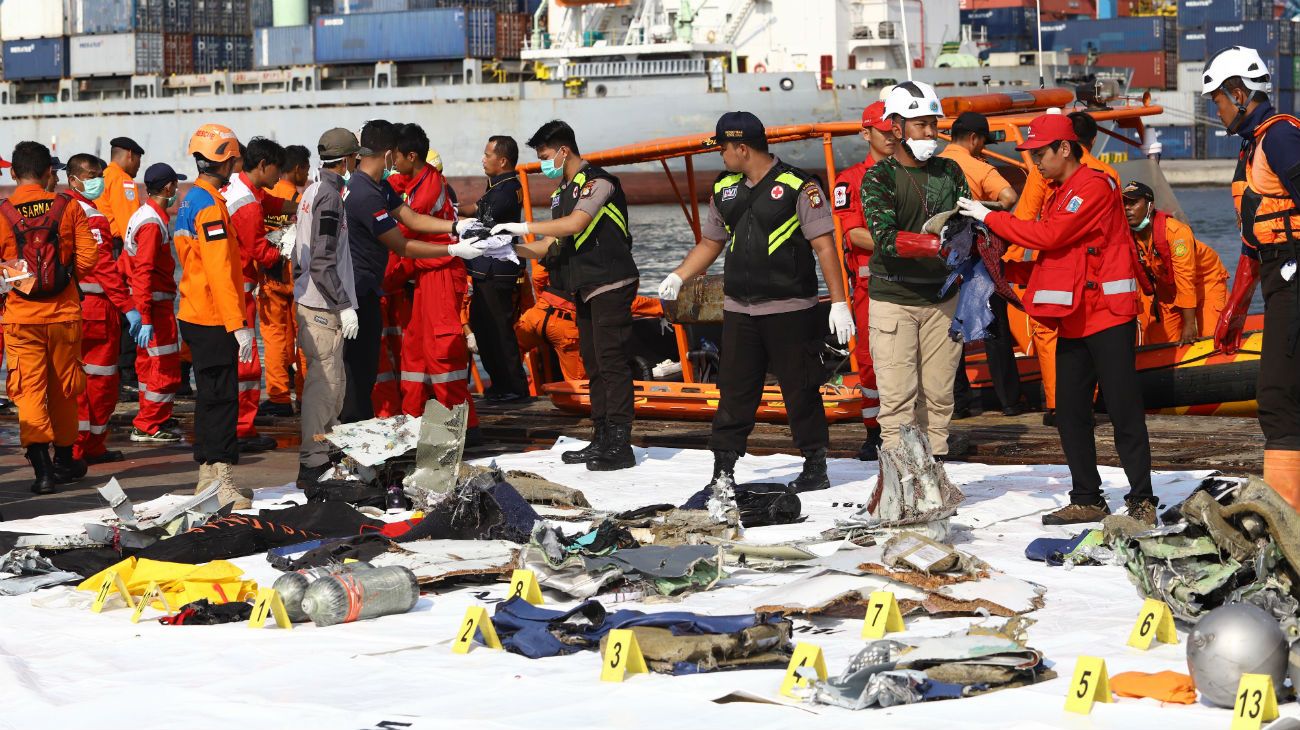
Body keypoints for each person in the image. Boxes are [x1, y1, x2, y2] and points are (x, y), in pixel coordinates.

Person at [961, 113, 1155, 525]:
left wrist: (988, 216)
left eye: (1038, 154)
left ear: (1064, 148)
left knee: (1123, 411)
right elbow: (1053, 249)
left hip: (1107, 315)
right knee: (1069, 413)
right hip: (1074, 316)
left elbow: (1049, 237)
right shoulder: (1059, 190)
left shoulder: (1094, 187)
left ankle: (1142, 501)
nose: (1034, 163)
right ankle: (1087, 497)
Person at [658, 111, 853, 491]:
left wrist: (840, 303)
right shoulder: (725, 188)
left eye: (723, 149)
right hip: (739, 311)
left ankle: (815, 465)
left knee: (800, 388)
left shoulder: (800, 186)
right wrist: (679, 275)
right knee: (733, 392)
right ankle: (723, 471)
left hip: (790, 309)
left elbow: (824, 247)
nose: (721, 156)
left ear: (742, 148)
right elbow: (711, 242)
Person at [492, 120, 640, 471]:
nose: (543, 163)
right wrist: (508, 247)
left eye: (545, 156)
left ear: (564, 151)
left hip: (610, 282)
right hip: (584, 289)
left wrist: (523, 225)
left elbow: (575, 224)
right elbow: (551, 243)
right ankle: (601, 436)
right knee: (594, 365)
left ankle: (621, 443)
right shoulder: (562, 193)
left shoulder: (599, 183)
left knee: (611, 363)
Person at [340, 119, 486, 425]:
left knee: (425, 351)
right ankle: (365, 435)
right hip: (368, 288)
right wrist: (452, 248)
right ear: (391, 153)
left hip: (401, 280)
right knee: (367, 368)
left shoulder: (379, 186)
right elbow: (403, 242)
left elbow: (412, 219)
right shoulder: (366, 193)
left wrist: (455, 227)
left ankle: (433, 421)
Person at [1205, 45, 1300, 508]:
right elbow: (1250, 242)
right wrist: (1235, 313)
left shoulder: (1280, 137)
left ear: (1239, 93)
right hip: (1278, 275)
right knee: (1282, 390)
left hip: (1294, 272)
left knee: (1278, 394)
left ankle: (1286, 513)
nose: (1216, 109)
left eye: (1218, 99)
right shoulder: (1255, 145)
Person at [859, 81, 970, 458]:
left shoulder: (950, 171)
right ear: (896, 127)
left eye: (933, 125)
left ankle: (935, 464)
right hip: (894, 298)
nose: (930, 133)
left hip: (943, 300)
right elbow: (885, 237)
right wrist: (935, 242)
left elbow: (968, 220)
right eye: (920, 124)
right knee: (897, 398)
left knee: (939, 394)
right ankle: (900, 476)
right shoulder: (878, 177)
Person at [1, 141, 97, 494]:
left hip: (21, 317)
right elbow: (89, 259)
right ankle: (66, 460)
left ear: (12, 172)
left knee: (28, 391)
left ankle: (42, 472)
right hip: (64, 314)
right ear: (48, 174)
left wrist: (24, 281)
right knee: (65, 388)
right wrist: (62, 278)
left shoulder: (4, 212)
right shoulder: (67, 207)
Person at [1014, 111, 1121, 425]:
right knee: (1093, 332)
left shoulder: (1043, 169)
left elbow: (1025, 216)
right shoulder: (1107, 174)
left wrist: (1007, 263)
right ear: (1092, 140)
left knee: (1048, 332)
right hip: (1097, 270)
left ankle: (1057, 404)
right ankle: (1089, 401)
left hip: (1055, 263)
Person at [175, 123, 257, 508]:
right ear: (223, 161)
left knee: (208, 397)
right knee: (223, 399)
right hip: (212, 317)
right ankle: (221, 480)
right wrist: (237, 325)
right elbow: (220, 270)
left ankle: (207, 479)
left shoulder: (190, 199)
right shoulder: (209, 206)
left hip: (193, 312)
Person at [384, 123, 480, 433]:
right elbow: (392, 182)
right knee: (414, 348)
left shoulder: (427, 192)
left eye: (395, 157)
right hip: (426, 276)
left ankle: (462, 426)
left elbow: (403, 235)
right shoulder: (416, 181)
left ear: (411, 156)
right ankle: (413, 423)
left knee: (442, 352)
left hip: (440, 273)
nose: (392, 163)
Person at [940, 110, 1024, 418]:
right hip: (976, 259)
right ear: (974, 139)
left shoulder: (933, 165)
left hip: (941, 259)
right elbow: (1009, 197)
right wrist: (981, 208)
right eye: (981, 142)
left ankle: (958, 404)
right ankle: (1010, 402)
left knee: (950, 331)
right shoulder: (977, 166)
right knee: (994, 327)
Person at [294, 129, 361, 488]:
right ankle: (314, 463)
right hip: (323, 307)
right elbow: (322, 261)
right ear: (349, 160)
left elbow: (300, 254)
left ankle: (322, 455)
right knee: (326, 386)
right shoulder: (331, 198)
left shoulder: (311, 191)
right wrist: (344, 305)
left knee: (330, 384)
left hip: (311, 301)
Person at [67, 153, 142, 464]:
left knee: (73, 380)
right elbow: (105, 270)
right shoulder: (92, 217)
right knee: (99, 383)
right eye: (92, 175)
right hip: (97, 310)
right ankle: (86, 446)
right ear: (74, 179)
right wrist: (129, 307)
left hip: (70, 309)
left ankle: (74, 445)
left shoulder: (61, 210)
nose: (99, 180)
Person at [832, 100, 893, 461]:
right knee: (870, 362)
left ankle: (917, 431)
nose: (890, 137)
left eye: (894, 130)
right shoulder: (851, 181)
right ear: (866, 133)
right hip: (872, 286)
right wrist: (909, 245)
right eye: (883, 132)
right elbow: (853, 234)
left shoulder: (916, 174)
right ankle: (874, 432)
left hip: (914, 283)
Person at [222, 137, 289, 453]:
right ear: (263, 165)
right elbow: (259, 250)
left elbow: (271, 202)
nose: (280, 178)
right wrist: (287, 250)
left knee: (231, 362)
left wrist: (298, 205)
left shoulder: (239, 187)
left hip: (227, 288)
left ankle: (233, 425)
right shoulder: (247, 205)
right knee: (247, 366)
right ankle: (242, 429)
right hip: (240, 292)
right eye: (277, 170)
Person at [462, 135, 530, 402]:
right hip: (485, 269)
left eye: (488, 154)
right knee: (482, 324)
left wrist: (455, 217)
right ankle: (500, 384)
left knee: (499, 328)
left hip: (496, 269)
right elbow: (479, 209)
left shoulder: (505, 190)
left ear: (502, 160)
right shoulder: (497, 187)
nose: (483, 158)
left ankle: (513, 386)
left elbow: (482, 216)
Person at [124, 163, 186, 444]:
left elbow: (130, 266)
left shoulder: (143, 215)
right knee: (164, 366)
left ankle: (152, 417)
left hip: (145, 306)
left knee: (147, 368)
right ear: (169, 188)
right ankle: (149, 424)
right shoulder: (152, 223)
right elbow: (144, 272)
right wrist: (147, 318)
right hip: (154, 309)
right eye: (176, 185)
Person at [258, 143, 311, 418]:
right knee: (304, 338)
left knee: (275, 337)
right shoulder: (299, 201)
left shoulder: (265, 195)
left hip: (271, 274)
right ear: (298, 169)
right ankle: (304, 395)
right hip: (297, 277)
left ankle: (278, 397)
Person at [1121, 181, 1203, 345]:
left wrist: (1189, 324)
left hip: (1203, 283)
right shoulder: (1126, 236)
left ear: (1150, 206)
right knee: (1158, 343)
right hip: (1167, 288)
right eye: (1125, 203)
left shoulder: (1175, 233)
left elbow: (1186, 278)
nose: (1128, 208)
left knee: (1209, 336)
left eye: (1134, 202)